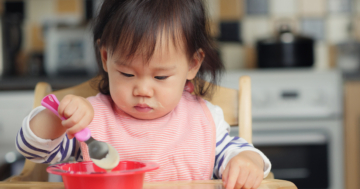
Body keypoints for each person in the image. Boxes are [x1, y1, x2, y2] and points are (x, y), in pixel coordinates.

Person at [16, 0, 271, 188]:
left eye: (160, 77)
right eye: (127, 74)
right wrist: (59, 120)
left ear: (193, 64)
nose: (143, 90)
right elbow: (34, 150)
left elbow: (235, 153)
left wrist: (248, 161)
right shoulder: (90, 122)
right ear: (106, 58)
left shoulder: (203, 120)